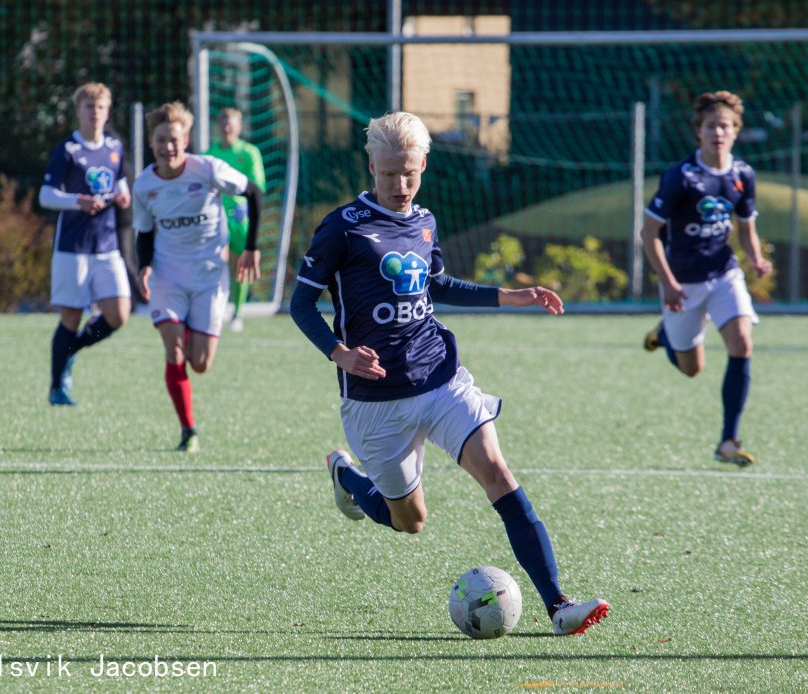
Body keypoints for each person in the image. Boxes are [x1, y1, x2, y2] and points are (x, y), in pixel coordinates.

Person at [290, 111, 609, 637]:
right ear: (371, 165)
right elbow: (301, 303)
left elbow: (436, 285)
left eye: (409, 173)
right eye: (389, 173)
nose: (400, 184)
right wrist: (338, 352)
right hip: (375, 401)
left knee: (499, 474)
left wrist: (510, 296)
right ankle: (346, 475)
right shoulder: (342, 227)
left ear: (423, 166)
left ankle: (558, 605)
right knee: (409, 521)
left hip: (439, 377)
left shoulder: (424, 220)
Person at [640, 91, 774, 466]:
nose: (719, 132)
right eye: (711, 125)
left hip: (724, 275)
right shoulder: (682, 177)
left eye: (726, 126)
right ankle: (665, 333)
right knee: (691, 369)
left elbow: (746, 227)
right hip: (682, 283)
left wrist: (756, 257)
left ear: (736, 132)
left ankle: (728, 440)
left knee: (742, 343)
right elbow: (648, 233)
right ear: (698, 132)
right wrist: (667, 281)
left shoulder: (742, 175)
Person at [132, 102, 262, 452]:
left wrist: (251, 247)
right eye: (160, 140)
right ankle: (188, 430)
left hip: (208, 276)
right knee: (173, 351)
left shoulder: (207, 169)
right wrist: (143, 266)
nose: (167, 147)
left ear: (185, 139)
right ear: (152, 142)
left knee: (200, 364)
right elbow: (144, 232)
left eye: (173, 139)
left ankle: (187, 324)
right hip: (167, 276)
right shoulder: (144, 185)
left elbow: (253, 192)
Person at [39, 82, 134, 406]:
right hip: (72, 247)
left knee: (120, 313)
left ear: (108, 112)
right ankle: (56, 388)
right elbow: (46, 195)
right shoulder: (68, 149)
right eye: (89, 107)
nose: (95, 113)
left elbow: (120, 184)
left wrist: (123, 196)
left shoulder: (115, 147)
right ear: (79, 111)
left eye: (101, 107)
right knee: (71, 316)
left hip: (106, 245)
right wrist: (76, 201)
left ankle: (73, 350)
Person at [205, 108, 265, 333]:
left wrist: (242, 207)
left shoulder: (249, 153)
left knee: (240, 266)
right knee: (217, 263)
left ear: (239, 127)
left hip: (241, 219)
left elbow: (256, 187)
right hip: (216, 217)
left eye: (231, 123)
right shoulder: (209, 153)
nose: (226, 127)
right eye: (223, 122)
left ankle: (237, 312)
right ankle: (216, 309)